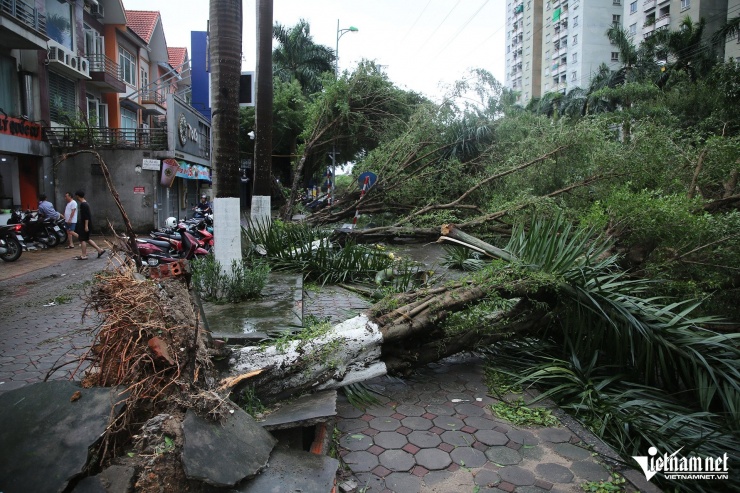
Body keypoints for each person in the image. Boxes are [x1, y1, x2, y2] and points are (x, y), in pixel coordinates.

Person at [73, 190, 106, 260]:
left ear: (78, 196)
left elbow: (86, 216)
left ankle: (84, 255)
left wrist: (86, 226)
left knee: (82, 239)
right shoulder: (85, 204)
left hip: (85, 224)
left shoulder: (83, 204)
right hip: (86, 224)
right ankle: (99, 250)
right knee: (87, 239)